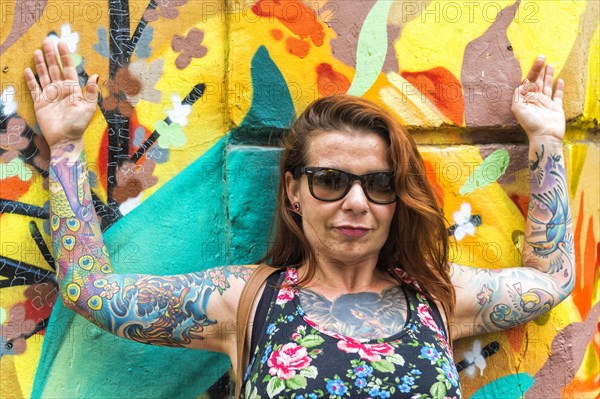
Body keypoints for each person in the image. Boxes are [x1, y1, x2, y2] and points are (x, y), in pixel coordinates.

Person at [25, 39, 573, 398]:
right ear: (293, 191)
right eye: (331, 181)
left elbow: (551, 280)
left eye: (379, 184)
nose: (356, 203)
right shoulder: (245, 300)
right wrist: (67, 147)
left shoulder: (439, 296)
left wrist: (547, 139)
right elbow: (90, 290)